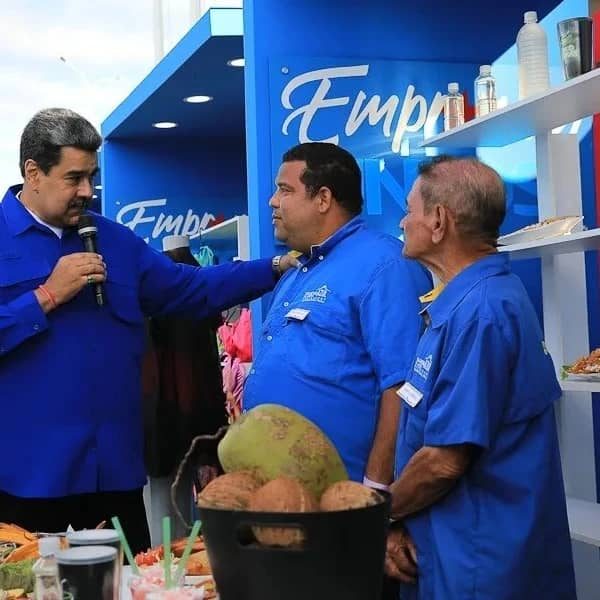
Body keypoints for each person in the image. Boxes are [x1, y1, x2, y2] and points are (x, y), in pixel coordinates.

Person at [0, 108, 297, 552]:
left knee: (133, 582)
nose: (87, 191)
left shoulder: (115, 240)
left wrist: (274, 267)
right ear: (33, 173)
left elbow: (190, 288)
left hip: (113, 476)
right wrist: (45, 296)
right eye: (74, 178)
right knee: (26, 583)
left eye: (92, 177)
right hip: (28, 480)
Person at [385, 155, 576, 599]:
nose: (403, 221)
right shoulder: (468, 301)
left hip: (479, 564)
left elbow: (444, 461)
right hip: (448, 549)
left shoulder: (481, 312)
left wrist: (379, 516)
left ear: (438, 221)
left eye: (410, 210)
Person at [243, 142, 431, 490]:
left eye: (285, 190)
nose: (272, 201)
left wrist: (376, 488)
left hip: (342, 496)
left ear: (323, 199)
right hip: (280, 491)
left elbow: (402, 386)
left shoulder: (385, 265)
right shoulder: (297, 273)